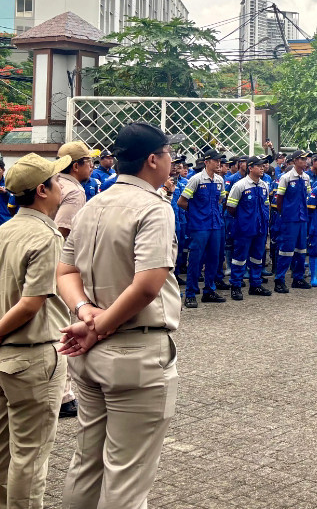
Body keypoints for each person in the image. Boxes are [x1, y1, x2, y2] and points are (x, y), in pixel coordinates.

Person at [56, 121, 182, 509]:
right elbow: (147, 286)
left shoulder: (94, 203)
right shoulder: (153, 208)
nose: (172, 161)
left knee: (87, 463)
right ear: (152, 159)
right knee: (127, 477)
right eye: (168, 153)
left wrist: (85, 312)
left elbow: (65, 271)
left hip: (90, 353)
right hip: (133, 353)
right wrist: (101, 325)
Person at [0, 153, 69, 508]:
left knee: (4, 453)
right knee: (31, 456)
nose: (61, 187)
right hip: (32, 357)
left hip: (4, 358)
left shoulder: (5, 229)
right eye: (57, 182)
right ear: (42, 190)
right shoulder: (46, 235)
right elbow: (31, 303)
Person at [54, 141, 95, 419]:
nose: (91, 166)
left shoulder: (54, 183)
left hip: (47, 264)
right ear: (76, 165)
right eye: (88, 162)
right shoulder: (75, 191)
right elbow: (63, 233)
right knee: (65, 327)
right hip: (61, 266)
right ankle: (64, 396)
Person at [178, 148, 227, 307]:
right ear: (206, 162)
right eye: (215, 160)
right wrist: (196, 214)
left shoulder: (219, 180)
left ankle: (209, 290)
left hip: (215, 225)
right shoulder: (196, 179)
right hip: (199, 226)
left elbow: (220, 200)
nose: (219, 163)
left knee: (214, 258)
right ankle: (190, 293)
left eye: (220, 160)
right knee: (195, 260)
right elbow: (182, 201)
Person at [226, 156, 273, 299]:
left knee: (257, 257)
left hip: (260, 228)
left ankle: (255, 284)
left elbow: (266, 205)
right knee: (239, 258)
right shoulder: (240, 185)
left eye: (263, 165)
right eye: (259, 165)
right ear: (250, 168)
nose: (262, 167)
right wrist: (244, 221)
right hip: (244, 229)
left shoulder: (264, 185)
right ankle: (236, 285)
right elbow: (231, 208)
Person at [274, 150, 312, 293]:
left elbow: (308, 195)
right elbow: (280, 198)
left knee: (301, 249)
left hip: (302, 218)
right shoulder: (286, 177)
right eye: (302, 159)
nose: (305, 161)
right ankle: (279, 279)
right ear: (295, 161)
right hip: (290, 219)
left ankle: (298, 277)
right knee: (286, 250)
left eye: (305, 159)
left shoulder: (306, 178)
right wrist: (283, 213)